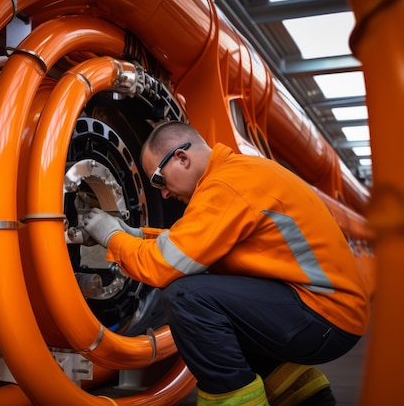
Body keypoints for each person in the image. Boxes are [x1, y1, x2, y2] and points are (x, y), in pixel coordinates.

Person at [80, 121, 370, 406]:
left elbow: (163, 266)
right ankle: (309, 398)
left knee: (187, 297)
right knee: (222, 318)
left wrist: (113, 236)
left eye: (158, 179)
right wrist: (138, 235)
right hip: (327, 312)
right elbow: (197, 243)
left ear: (181, 157)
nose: (163, 193)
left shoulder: (226, 185)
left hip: (323, 317)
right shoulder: (238, 173)